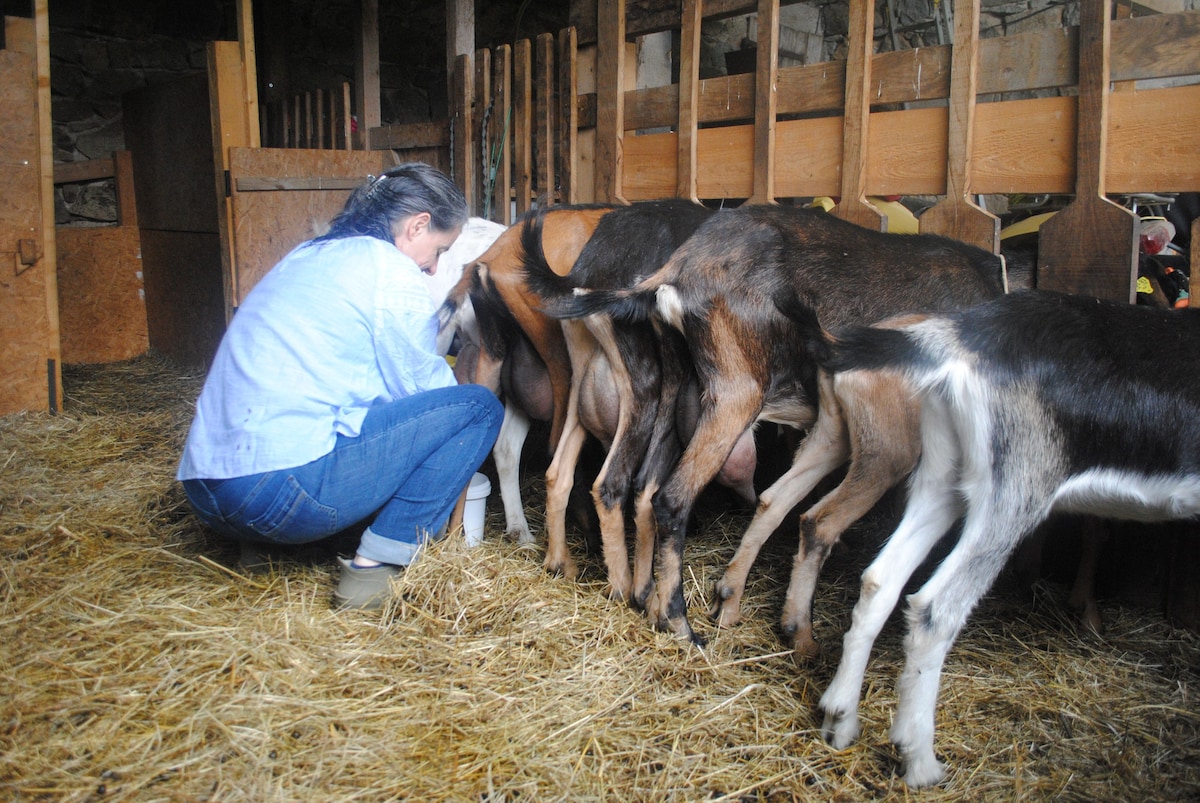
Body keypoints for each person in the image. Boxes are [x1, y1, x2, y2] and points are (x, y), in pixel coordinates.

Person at [177, 162, 503, 610]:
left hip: (207, 491)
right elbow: (428, 397)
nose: (433, 269)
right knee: (477, 409)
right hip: (277, 494)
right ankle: (374, 573)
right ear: (417, 226)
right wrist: (464, 374)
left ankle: (266, 550)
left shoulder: (309, 254)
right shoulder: (391, 271)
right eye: (439, 250)